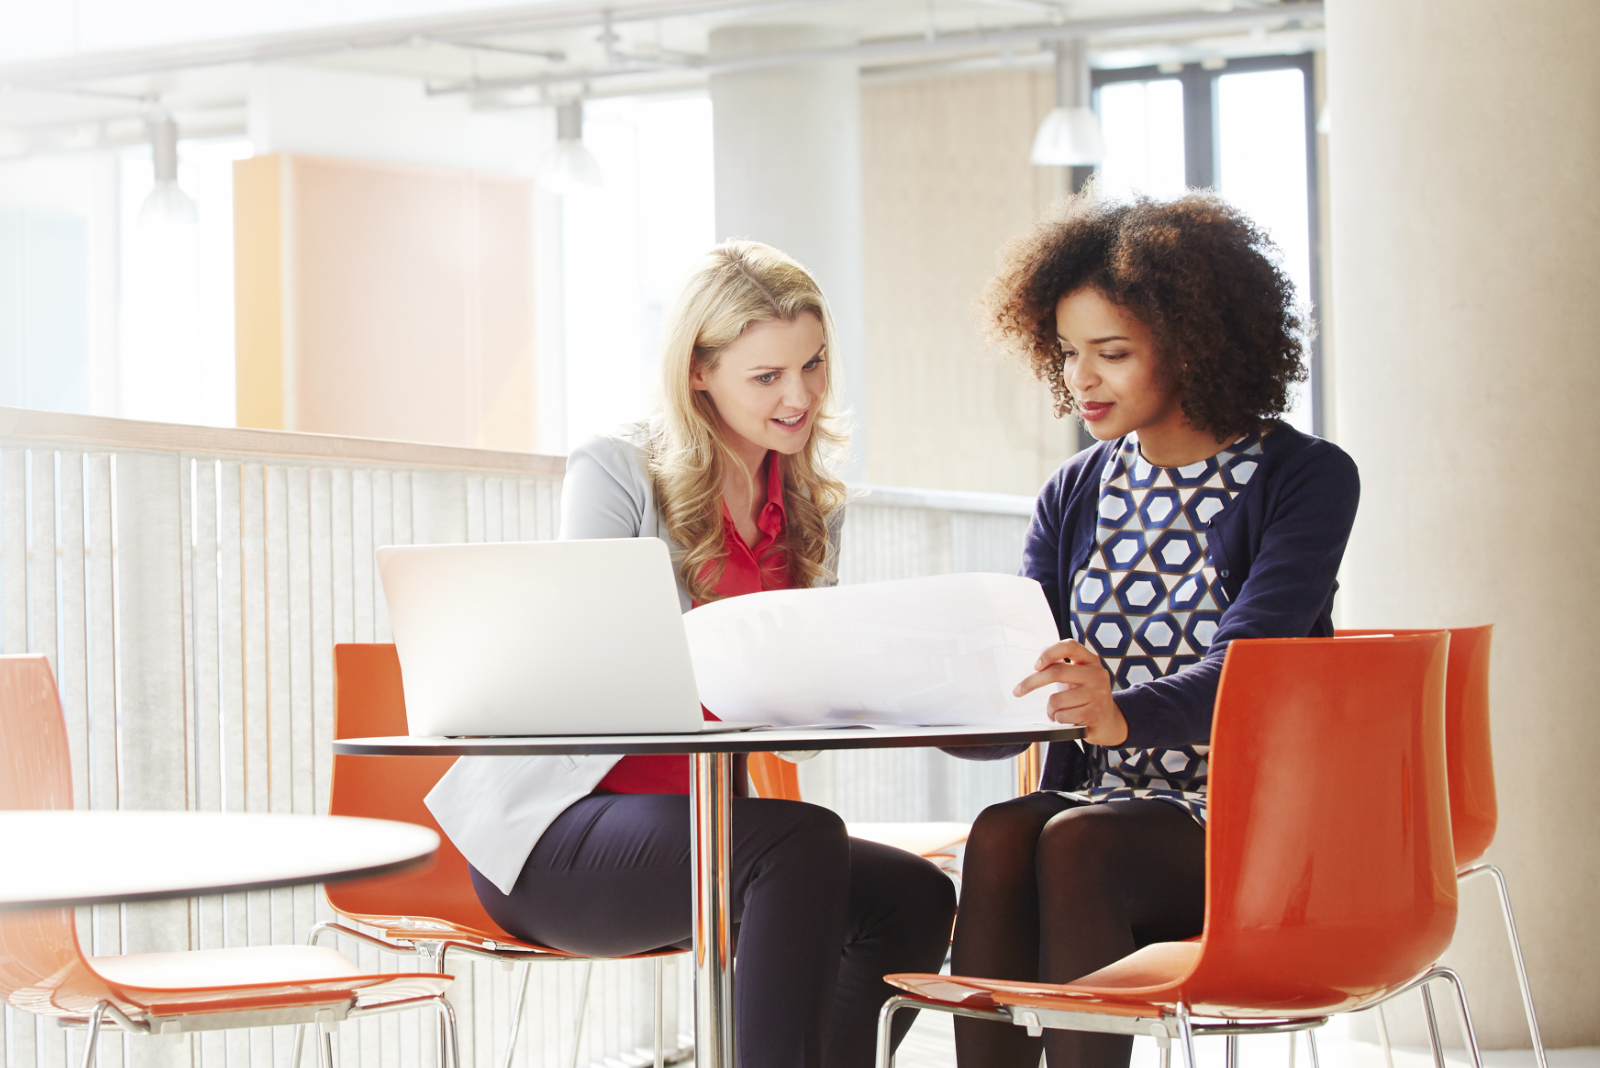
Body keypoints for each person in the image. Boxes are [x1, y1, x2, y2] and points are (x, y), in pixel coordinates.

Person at [426, 240, 956, 1068]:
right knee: (798, 845)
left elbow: (793, 705)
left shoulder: (810, 506)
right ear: (699, 372)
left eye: (813, 366)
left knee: (913, 896)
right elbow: (579, 657)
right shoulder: (618, 469)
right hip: (557, 835)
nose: (801, 396)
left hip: (710, 828)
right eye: (768, 376)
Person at [948, 189, 1360, 1068]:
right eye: (1066, 353)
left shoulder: (1305, 478)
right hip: (1108, 806)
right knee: (1003, 828)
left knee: (1077, 840)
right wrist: (943, 699)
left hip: (1254, 824)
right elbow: (1032, 670)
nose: (1080, 381)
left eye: (1113, 353)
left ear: (1196, 346)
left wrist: (1117, 712)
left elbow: (1253, 668)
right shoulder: (1077, 490)